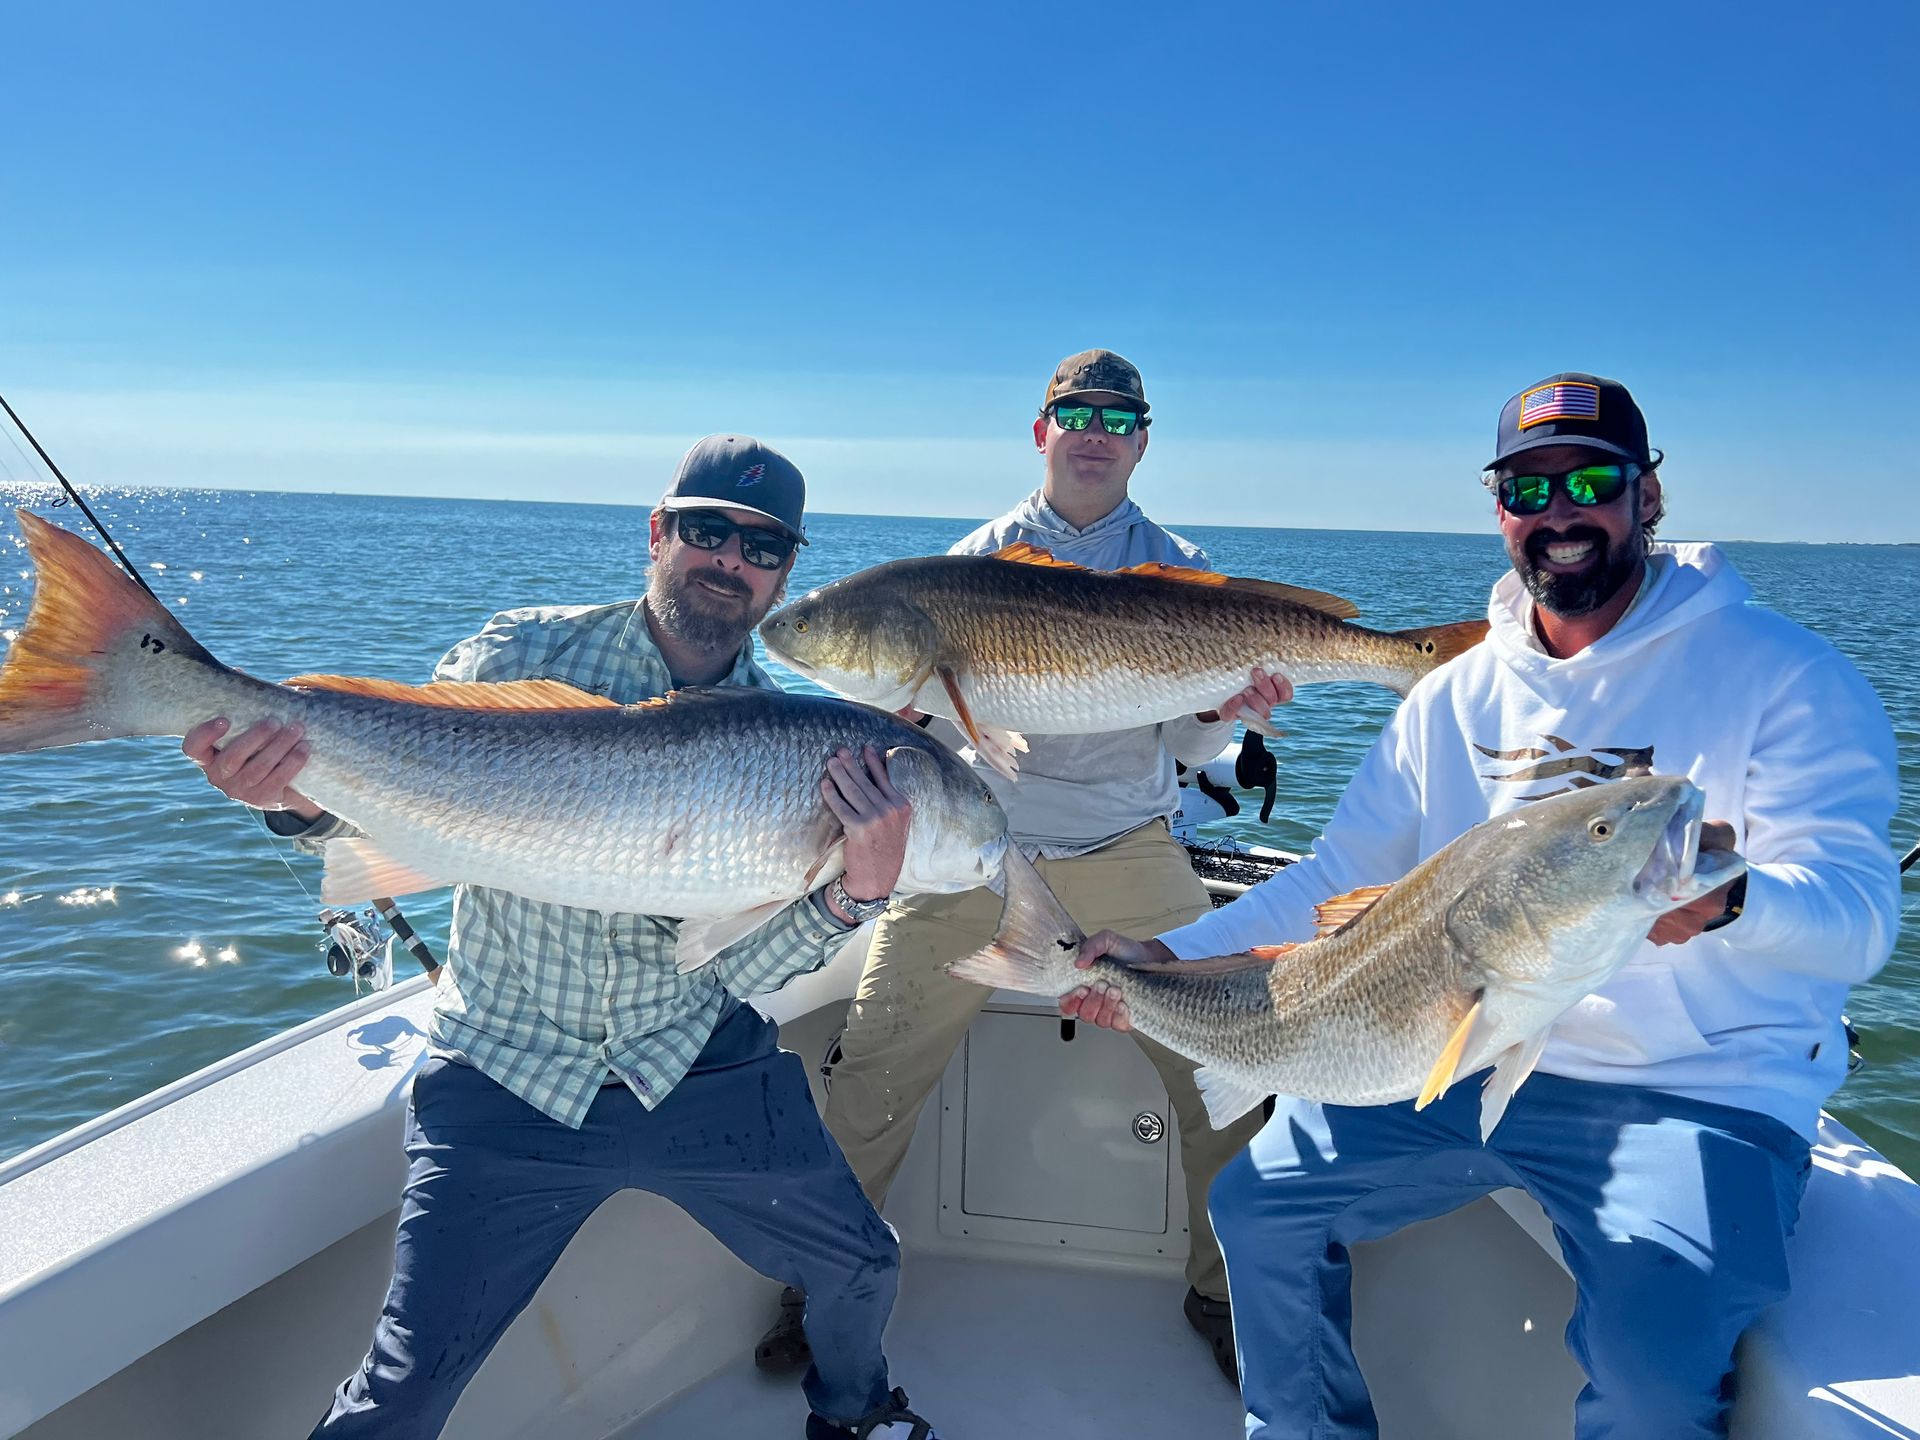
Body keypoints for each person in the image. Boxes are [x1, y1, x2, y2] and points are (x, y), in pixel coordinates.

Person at [1064, 372, 1902, 1438]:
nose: (1560, 512)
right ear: (1498, 507)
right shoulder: (1456, 691)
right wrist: (1163, 954)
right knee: (1260, 1208)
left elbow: (1860, 916)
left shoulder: (1787, 676)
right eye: (1526, 488)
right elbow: (1332, 882)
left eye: (1592, 480)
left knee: (1650, 1371)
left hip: (1695, 1090)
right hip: (1463, 1053)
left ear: (1649, 496)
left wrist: (1737, 907)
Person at [184, 436, 943, 1440]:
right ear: (658, 533)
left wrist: (859, 892)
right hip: (505, 1073)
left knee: (863, 1264)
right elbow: (393, 803)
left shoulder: (794, 738)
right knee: (403, 1390)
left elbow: (729, 963)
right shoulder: (518, 655)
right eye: (708, 530)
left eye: (762, 547)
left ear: (785, 571)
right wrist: (291, 802)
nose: (731, 560)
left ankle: (855, 1416)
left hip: (694, 1066)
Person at [756, 350, 1290, 1384]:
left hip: (1130, 845)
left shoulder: (1182, 570)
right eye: (1073, 412)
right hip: (974, 850)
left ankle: (1227, 1291)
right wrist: (901, 707)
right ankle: (826, 1286)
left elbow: (1186, 752)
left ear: (1142, 437)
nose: (1094, 430)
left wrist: (1222, 709)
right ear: (1040, 432)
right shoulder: (971, 566)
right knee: (870, 1069)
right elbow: (891, 712)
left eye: (1118, 415)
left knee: (1234, 1072)